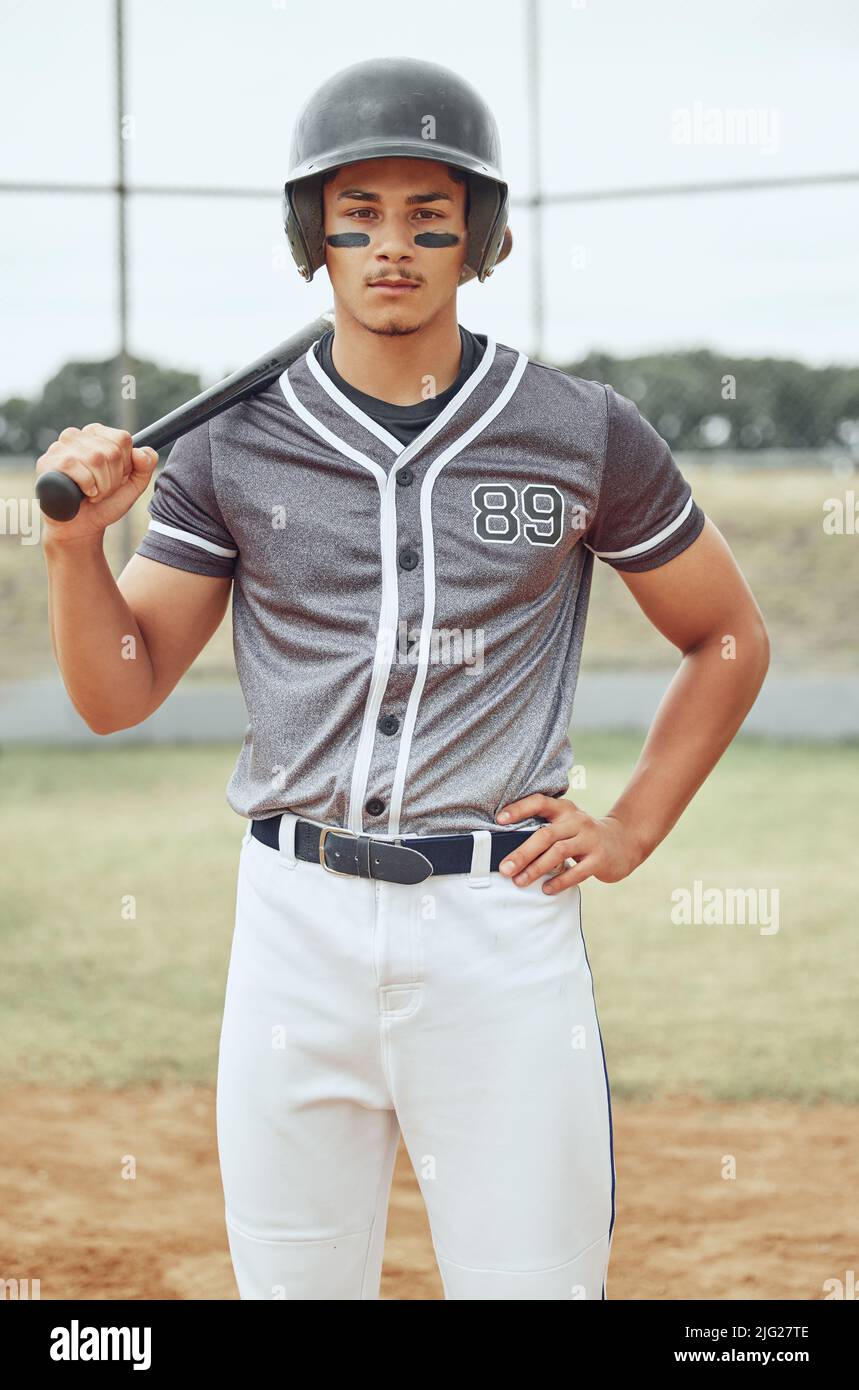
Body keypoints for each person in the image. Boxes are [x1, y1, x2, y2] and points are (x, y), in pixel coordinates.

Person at [36, 58, 769, 1300]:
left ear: (475, 240)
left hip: (498, 922)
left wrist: (636, 823)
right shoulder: (233, 440)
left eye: (430, 217)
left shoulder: (581, 427)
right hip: (292, 920)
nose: (393, 246)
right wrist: (73, 549)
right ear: (312, 239)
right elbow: (118, 691)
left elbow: (728, 635)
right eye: (358, 215)